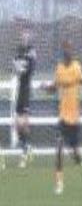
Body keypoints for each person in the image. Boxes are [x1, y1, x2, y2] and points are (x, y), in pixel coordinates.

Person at [42, 40, 82, 195]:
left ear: (72, 51)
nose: (68, 52)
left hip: (74, 118)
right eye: (65, 49)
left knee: (75, 155)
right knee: (59, 147)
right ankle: (59, 183)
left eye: (69, 49)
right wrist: (45, 87)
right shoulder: (59, 69)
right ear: (63, 52)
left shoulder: (76, 67)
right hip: (63, 116)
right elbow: (53, 88)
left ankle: (81, 158)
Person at [13, 29, 36, 168]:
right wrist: (19, 66)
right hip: (20, 91)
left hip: (26, 90)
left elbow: (29, 69)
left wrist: (23, 67)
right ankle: (28, 147)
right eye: (23, 37)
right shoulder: (19, 51)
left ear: (30, 39)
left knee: (24, 123)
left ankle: (24, 154)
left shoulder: (32, 51)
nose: (24, 39)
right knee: (17, 124)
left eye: (27, 37)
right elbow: (16, 66)